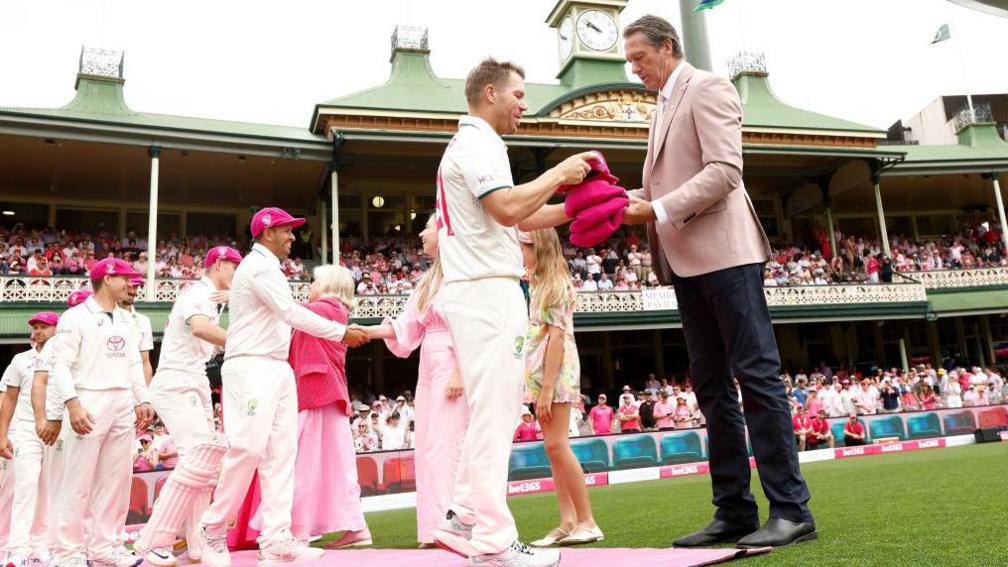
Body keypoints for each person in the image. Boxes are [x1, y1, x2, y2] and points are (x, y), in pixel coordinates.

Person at [620, 15, 815, 547]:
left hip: (727, 257)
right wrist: (631, 203)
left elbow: (726, 171)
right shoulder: (662, 104)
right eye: (630, 59)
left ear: (668, 47)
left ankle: (792, 510)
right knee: (710, 388)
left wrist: (656, 207)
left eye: (639, 57)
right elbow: (674, 181)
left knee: (757, 377)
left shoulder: (707, 86)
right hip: (686, 262)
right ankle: (733, 510)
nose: (633, 68)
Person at [426, 57, 595, 567]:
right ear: (491, 93)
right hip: (485, 293)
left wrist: (577, 207)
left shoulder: (473, 143)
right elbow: (506, 208)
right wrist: (561, 173)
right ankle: (495, 542)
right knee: (497, 418)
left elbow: (515, 217)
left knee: (490, 415)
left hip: (481, 289)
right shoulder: (480, 143)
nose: (524, 104)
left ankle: (462, 515)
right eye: (519, 95)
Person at [192, 207, 367, 565]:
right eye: (287, 231)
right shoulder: (257, 267)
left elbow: (284, 313)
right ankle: (211, 528)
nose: (292, 237)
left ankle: (276, 539)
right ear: (267, 232)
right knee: (250, 450)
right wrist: (340, 333)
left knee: (281, 456)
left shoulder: (267, 269)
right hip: (252, 366)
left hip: (275, 366)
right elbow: (289, 312)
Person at [357, 213, 469, 547]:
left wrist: (460, 370)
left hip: (455, 359)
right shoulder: (429, 280)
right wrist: (368, 332)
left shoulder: (466, 274)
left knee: (451, 445)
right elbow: (407, 325)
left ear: (446, 232)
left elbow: (472, 324)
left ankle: (458, 524)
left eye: (428, 226)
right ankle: (435, 528)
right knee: (431, 446)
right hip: (430, 365)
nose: (421, 233)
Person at [43, 258, 155, 567]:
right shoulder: (75, 317)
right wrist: (73, 403)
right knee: (78, 483)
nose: (130, 284)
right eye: (125, 279)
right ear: (108, 279)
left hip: (122, 402)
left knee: (116, 482)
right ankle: (70, 553)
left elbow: (134, 363)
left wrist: (141, 398)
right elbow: (60, 364)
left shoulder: (126, 319)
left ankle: (105, 548)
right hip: (89, 399)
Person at [253, 265, 371, 549]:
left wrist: (249, 293)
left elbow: (286, 309)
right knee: (332, 465)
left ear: (329, 285)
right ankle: (354, 527)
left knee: (303, 463)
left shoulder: (328, 308)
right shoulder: (332, 311)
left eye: (315, 281)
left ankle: (299, 530)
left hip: (317, 393)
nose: (310, 285)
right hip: (324, 393)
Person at [135, 246, 239, 565]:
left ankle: (196, 544)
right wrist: (245, 343)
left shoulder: (214, 297)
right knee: (199, 457)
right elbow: (201, 329)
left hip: (193, 380)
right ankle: (153, 540)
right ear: (219, 264)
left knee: (205, 465)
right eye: (235, 266)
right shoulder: (199, 292)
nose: (238, 274)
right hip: (177, 380)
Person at [519, 229, 602, 548]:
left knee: (558, 445)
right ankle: (568, 520)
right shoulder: (536, 283)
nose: (521, 256)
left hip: (555, 373)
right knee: (553, 448)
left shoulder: (554, 284)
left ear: (536, 247)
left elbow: (555, 339)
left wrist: (546, 390)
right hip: (540, 371)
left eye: (523, 248)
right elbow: (527, 332)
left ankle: (587, 520)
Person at [0, 311, 60, 567]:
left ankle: (41, 545)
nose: (37, 331)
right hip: (26, 430)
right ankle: (17, 549)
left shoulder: (65, 359)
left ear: (58, 330)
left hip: (56, 433)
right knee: (24, 489)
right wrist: (2, 434)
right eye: (35, 327)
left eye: (43, 326)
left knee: (49, 491)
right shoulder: (20, 360)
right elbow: (9, 398)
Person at [120, 276, 155, 384]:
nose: (133, 291)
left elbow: (145, 362)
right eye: (129, 287)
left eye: (136, 287)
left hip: (134, 389)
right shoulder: (104, 316)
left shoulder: (144, 321)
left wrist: (146, 395)